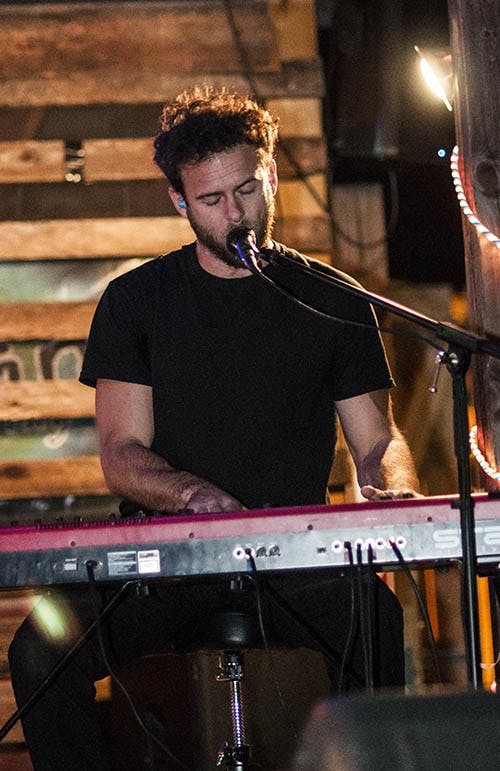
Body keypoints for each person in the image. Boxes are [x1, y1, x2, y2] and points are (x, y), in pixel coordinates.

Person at [9, 86, 420, 770]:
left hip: (292, 555)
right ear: (179, 201)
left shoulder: (334, 299)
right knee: (38, 652)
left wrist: (394, 486)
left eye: (248, 190)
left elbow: (377, 442)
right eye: (211, 199)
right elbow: (121, 453)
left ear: (272, 176)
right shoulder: (136, 302)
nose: (236, 213)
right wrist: (193, 496)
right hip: (166, 562)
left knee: (375, 621)